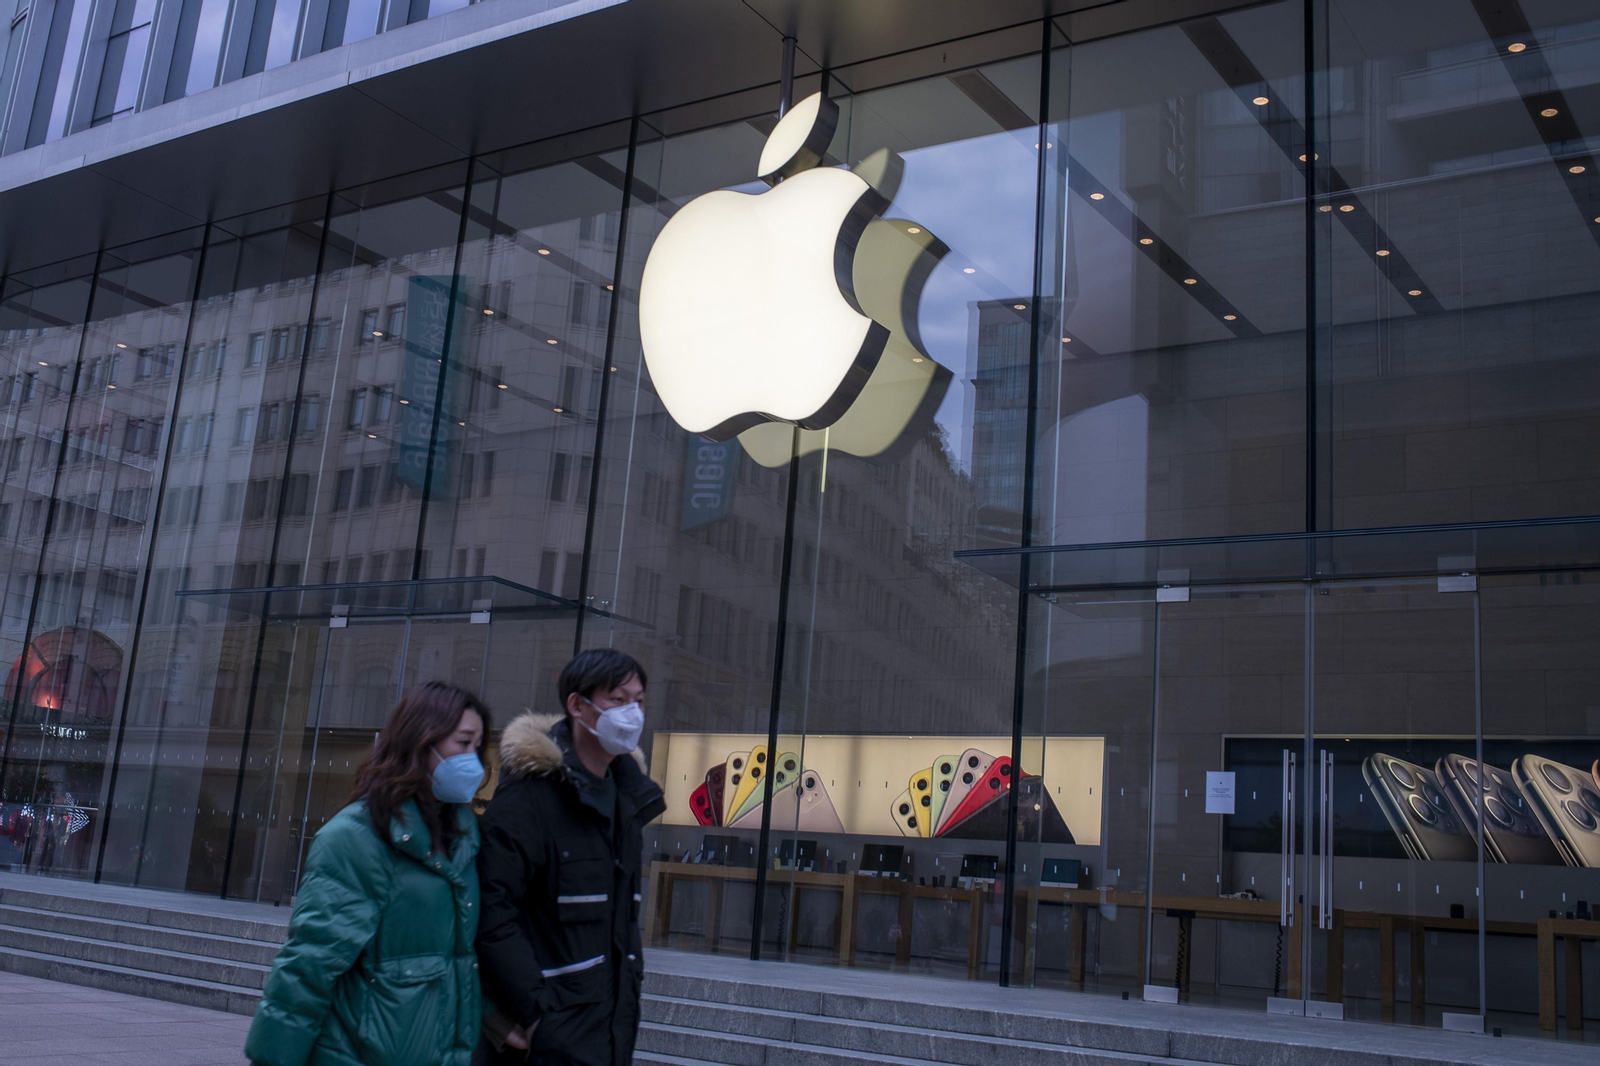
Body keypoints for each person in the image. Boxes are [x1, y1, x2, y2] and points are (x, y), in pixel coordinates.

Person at [245, 681, 492, 1066]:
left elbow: (458, 961)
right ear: (420, 741)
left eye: (478, 747)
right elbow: (309, 966)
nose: (472, 760)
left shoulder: (462, 839)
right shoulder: (355, 839)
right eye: (462, 743)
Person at [475, 648, 665, 1065]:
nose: (632, 714)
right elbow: (491, 911)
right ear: (577, 706)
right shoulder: (529, 797)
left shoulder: (628, 799)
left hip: (609, 1030)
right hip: (547, 1038)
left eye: (638, 701)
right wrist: (535, 1013)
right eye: (618, 700)